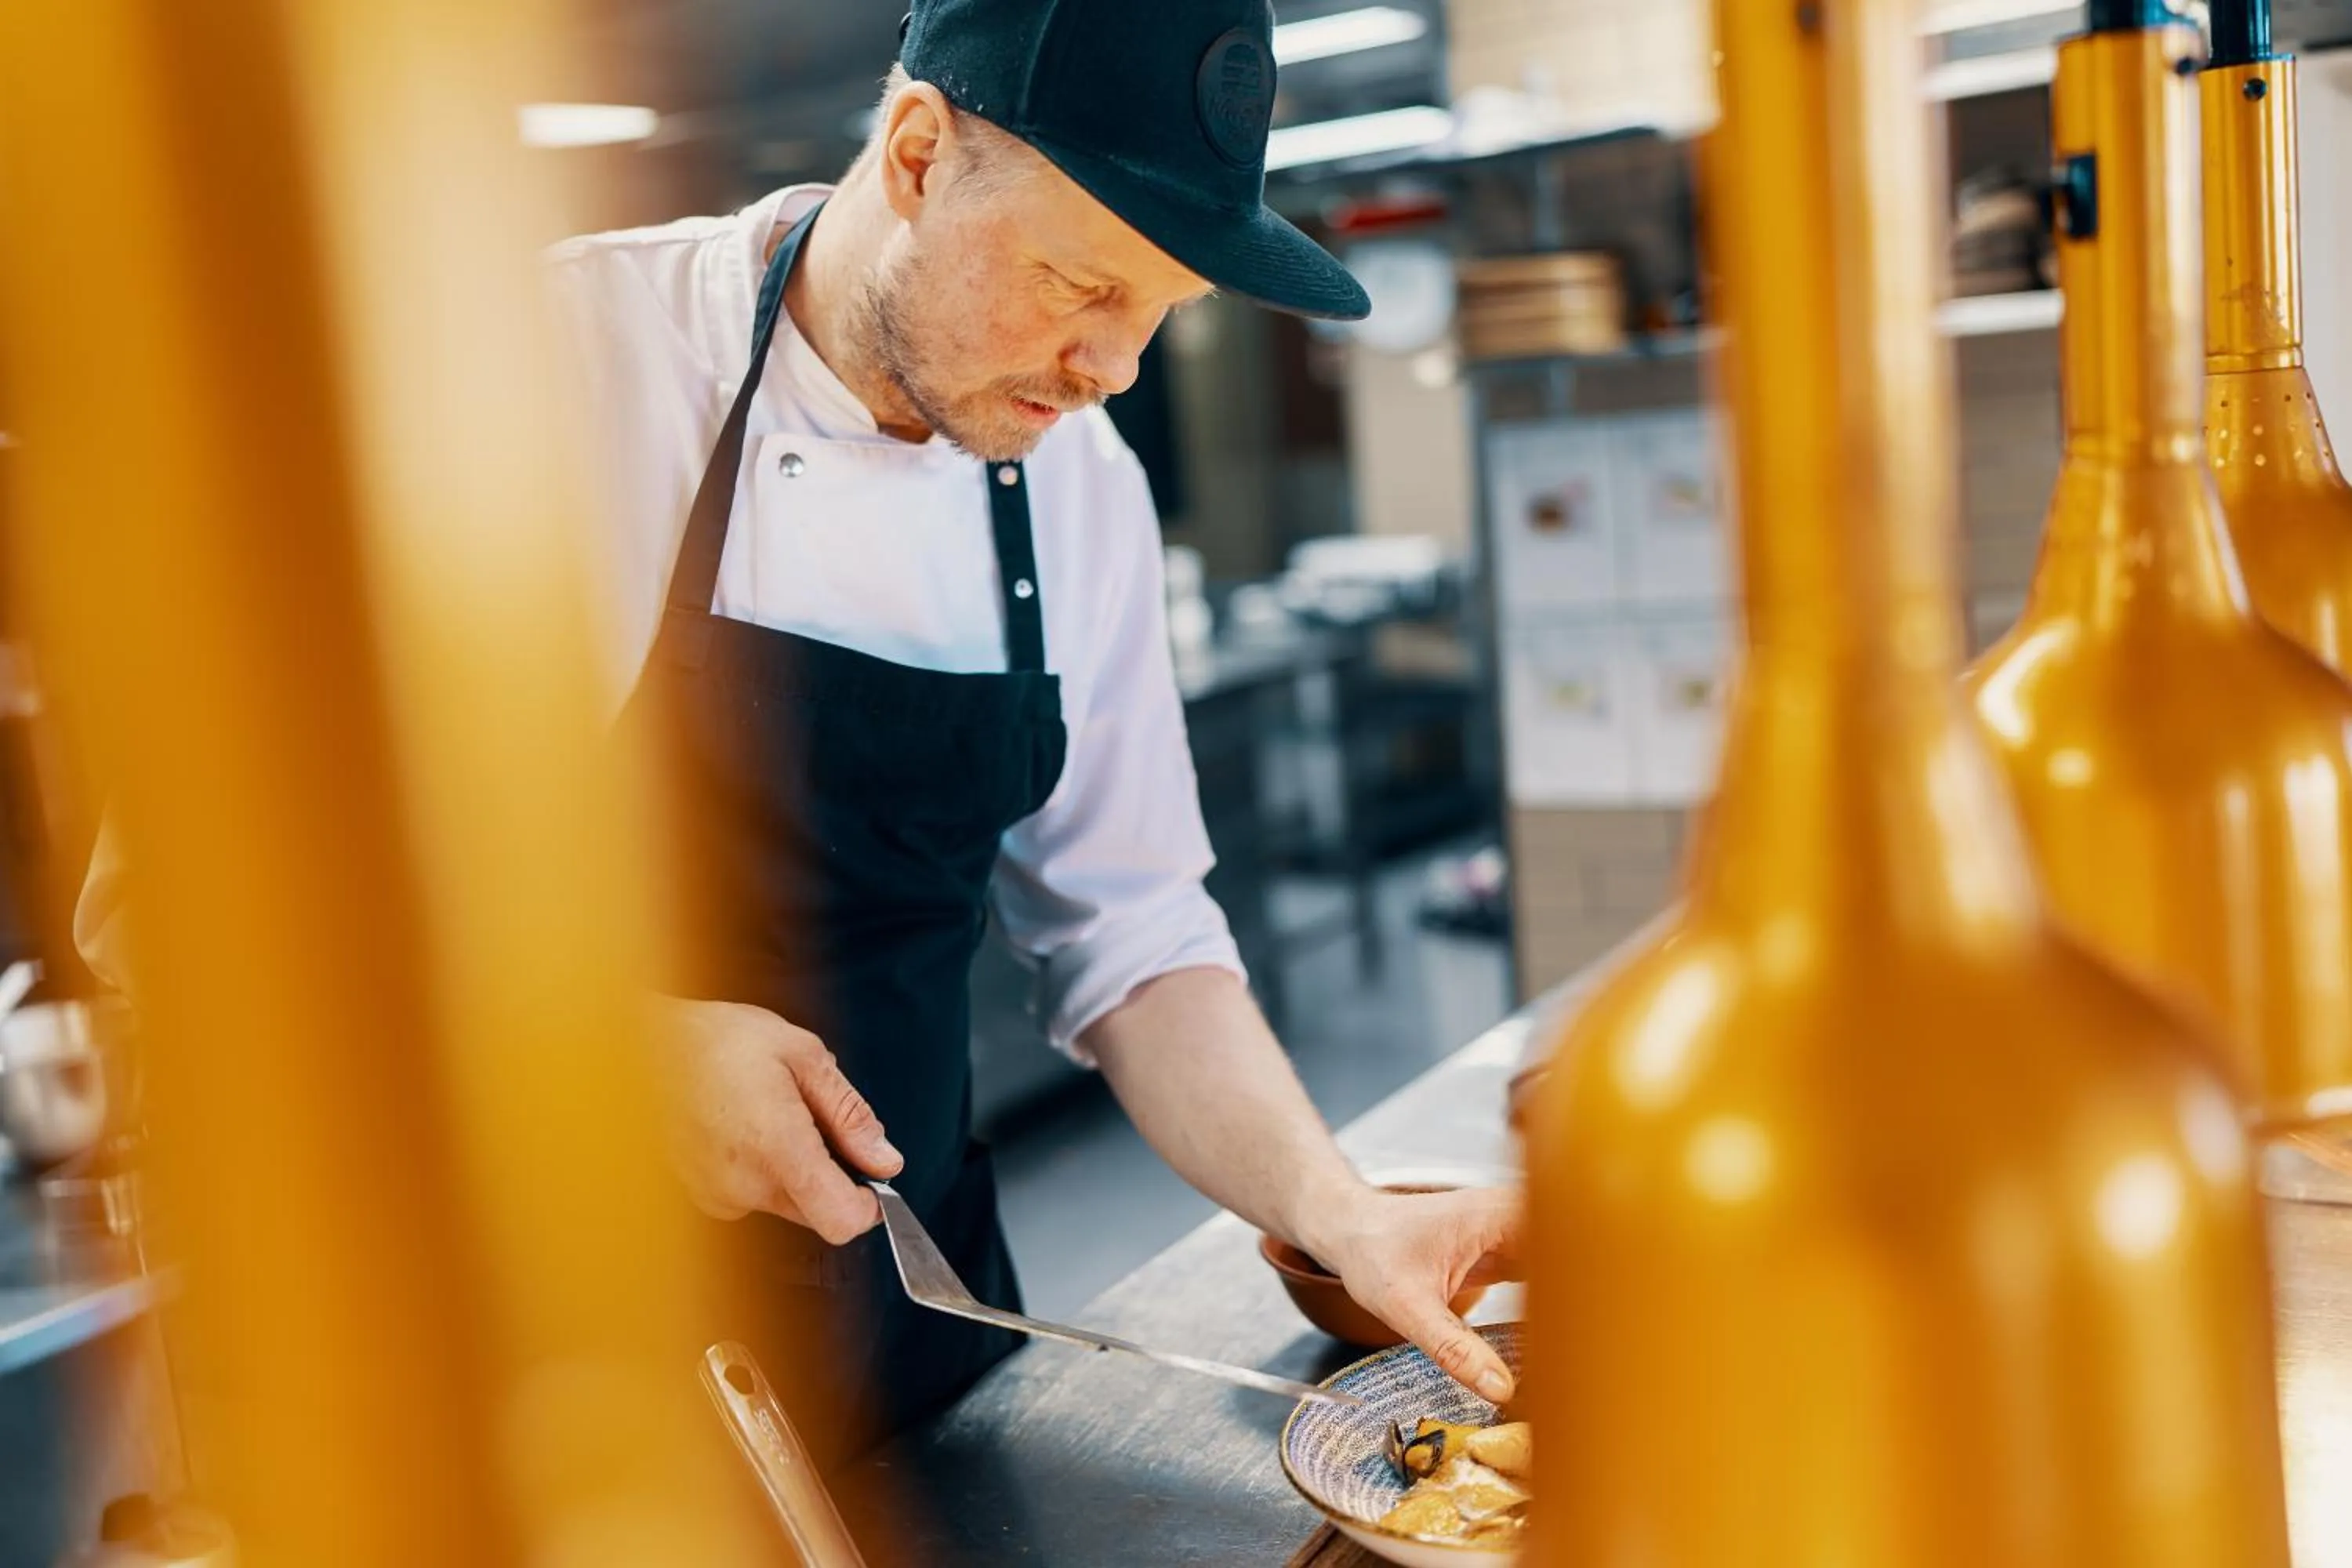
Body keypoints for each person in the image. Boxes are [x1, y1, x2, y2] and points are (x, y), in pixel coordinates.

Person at [84, 0, 1523, 1461]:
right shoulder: (518, 381)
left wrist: (1342, 1215)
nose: (1115, 372)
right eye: (1079, 285)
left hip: (905, 1343)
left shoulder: (1079, 485)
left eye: (1158, 313)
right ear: (915, 152)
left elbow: (1140, 942)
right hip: (522, 1384)